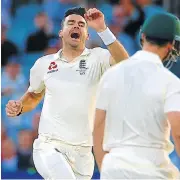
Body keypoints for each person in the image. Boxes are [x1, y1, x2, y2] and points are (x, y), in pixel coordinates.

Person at [5, 7, 129, 179]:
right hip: (49, 147)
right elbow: (33, 95)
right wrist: (19, 106)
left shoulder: (98, 57)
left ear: (87, 35)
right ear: (61, 32)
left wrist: (103, 29)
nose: (76, 27)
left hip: (83, 154)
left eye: (81, 24)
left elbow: (125, 63)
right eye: (71, 23)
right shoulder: (44, 64)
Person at [93, 13, 180, 179]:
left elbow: (98, 126)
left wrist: (105, 168)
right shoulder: (171, 82)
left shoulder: (111, 75)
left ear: (143, 37)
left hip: (113, 166)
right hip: (152, 169)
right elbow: (178, 132)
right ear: (170, 46)